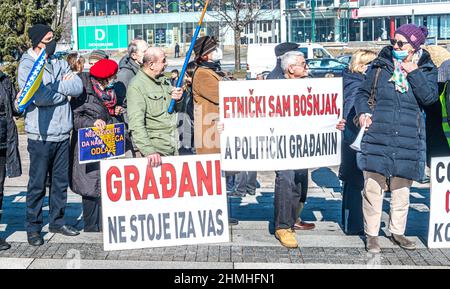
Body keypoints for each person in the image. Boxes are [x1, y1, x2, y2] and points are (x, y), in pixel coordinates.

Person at [354, 24, 438, 253]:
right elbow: (362, 93)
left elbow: (430, 99)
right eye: (394, 41)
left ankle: (397, 232)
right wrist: (362, 112)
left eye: (401, 43)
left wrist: (414, 73)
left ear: (415, 46)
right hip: (378, 132)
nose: (395, 46)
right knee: (373, 187)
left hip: (409, 135)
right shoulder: (381, 65)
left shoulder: (427, 68)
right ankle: (371, 235)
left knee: (402, 189)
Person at [18, 24, 83, 246]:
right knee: (37, 185)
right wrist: (63, 95)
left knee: (59, 182)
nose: (53, 42)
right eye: (48, 39)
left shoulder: (58, 61)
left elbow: (77, 86)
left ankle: (57, 220)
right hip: (40, 135)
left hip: (62, 133)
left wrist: (59, 89)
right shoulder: (27, 65)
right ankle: (33, 228)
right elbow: (39, 97)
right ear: (37, 42)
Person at [268, 50, 312, 248]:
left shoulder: (310, 85)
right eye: (303, 63)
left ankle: (293, 219)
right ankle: (282, 226)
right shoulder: (276, 85)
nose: (307, 67)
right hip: (282, 142)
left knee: (300, 180)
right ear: (291, 68)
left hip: (303, 142)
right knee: (286, 179)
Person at [70, 59, 119, 232]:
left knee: (104, 184)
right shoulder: (84, 91)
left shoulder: (109, 92)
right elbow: (74, 118)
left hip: (106, 143)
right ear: (104, 78)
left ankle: (103, 224)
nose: (114, 79)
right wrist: (92, 122)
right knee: (90, 186)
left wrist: (115, 114)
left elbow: (108, 111)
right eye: (112, 77)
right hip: (87, 146)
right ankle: (91, 226)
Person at [338, 49, 377, 236]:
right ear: (362, 66)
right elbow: (352, 111)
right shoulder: (357, 84)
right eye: (372, 65)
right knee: (356, 182)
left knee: (350, 182)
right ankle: (354, 224)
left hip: (349, 137)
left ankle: (349, 222)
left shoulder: (349, 79)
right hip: (354, 137)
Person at [127, 47, 183, 165]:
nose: (166, 63)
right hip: (156, 152)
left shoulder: (164, 81)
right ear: (151, 64)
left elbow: (174, 111)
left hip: (173, 146)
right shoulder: (136, 86)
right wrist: (149, 151)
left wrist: (178, 99)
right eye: (163, 60)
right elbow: (136, 124)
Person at [0, 70, 22, 251]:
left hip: (3, 142)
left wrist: (20, 100)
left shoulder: (4, 79)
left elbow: (15, 109)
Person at [192, 36, 225, 155]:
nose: (217, 51)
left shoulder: (210, 70)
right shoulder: (202, 75)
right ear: (205, 55)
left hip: (216, 130)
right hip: (210, 133)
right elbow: (223, 94)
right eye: (213, 49)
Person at [177, 62, 196, 155]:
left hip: (194, 137)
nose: (185, 79)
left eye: (188, 76)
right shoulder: (185, 91)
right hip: (183, 134)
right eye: (185, 76)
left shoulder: (197, 94)